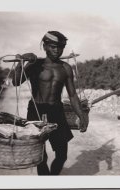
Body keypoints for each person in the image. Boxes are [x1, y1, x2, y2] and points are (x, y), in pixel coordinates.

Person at [11, 31, 89, 175]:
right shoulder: (35, 65)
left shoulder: (65, 68)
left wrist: (82, 116)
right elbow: (16, 82)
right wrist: (20, 63)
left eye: (60, 47)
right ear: (45, 46)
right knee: (40, 156)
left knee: (62, 155)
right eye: (53, 47)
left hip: (56, 111)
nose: (57, 50)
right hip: (36, 111)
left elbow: (72, 95)